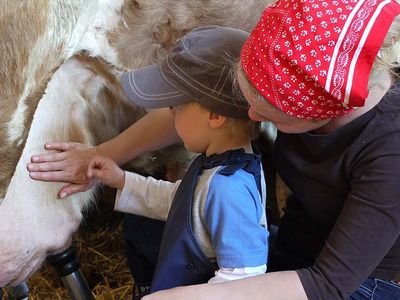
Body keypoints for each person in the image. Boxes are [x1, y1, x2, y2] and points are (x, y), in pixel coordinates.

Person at [27, 0, 400, 299]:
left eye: (266, 113)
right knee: (148, 233)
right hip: (294, 246)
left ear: (313, 112)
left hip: (363, 282)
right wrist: (106, 154)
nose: (249, 115)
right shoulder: (300, 74)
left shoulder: (389, 155)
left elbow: (328, 285)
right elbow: (210, 105)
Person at [80, 26, 269, 294]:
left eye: (176, 104)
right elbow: (185, 203)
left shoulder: (229, 189)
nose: (169, 111)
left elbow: (243, 282)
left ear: (215, 116)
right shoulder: (219, 165)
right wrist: (123, 181)